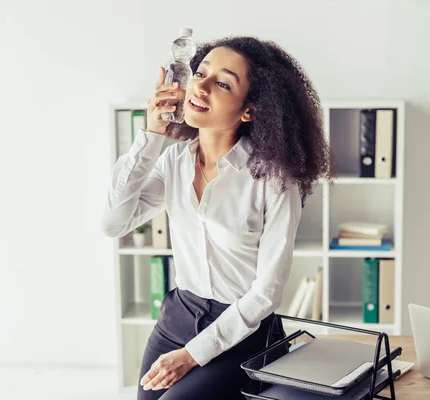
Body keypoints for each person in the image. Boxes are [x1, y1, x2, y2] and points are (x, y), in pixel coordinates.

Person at [101, 35, 331, 400]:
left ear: (249, 110)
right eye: (200, 72)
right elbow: (114, 223)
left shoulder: (272, 180)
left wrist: (194, 354)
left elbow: (266, 294)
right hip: (177, 317)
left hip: (241, 333)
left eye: (222, 83)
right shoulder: (174, 160)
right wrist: (151, 134)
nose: (200, 86)